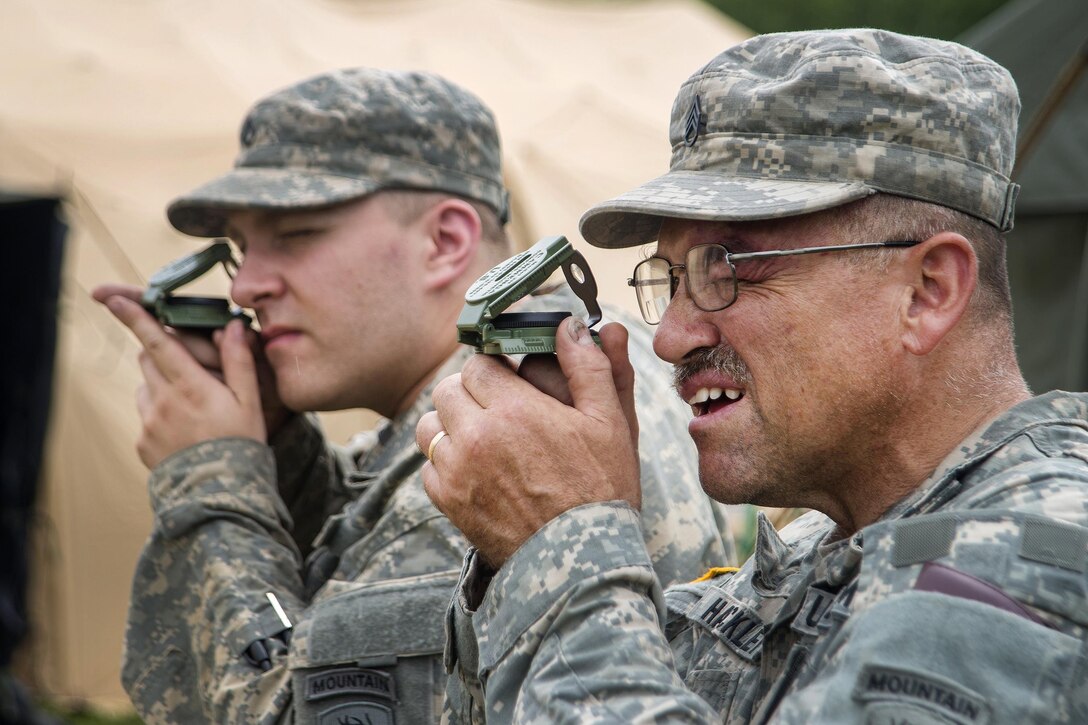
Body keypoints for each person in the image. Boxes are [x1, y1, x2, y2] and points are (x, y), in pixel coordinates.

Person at [420, 29, 1088, 723]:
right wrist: (522, 541)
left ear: (928, 291)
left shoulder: (1036, 557)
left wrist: (563, 544)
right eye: (673, 277)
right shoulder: (809, 556)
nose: (671, 337)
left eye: (728, 268)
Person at [92, 68, 734, 723]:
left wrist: (212, 477)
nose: (245, 286)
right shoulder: (538, 380)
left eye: (293, 236)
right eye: (241, 249)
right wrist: (278, 443)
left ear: (444, 242)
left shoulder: (502, 453)